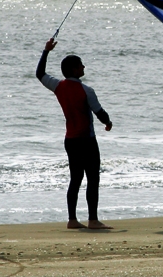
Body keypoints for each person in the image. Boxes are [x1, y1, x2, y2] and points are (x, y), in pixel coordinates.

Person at [36, 37, 113, 229]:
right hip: (86, 140)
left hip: (70, 140)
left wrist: (46, 51)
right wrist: (108, 122)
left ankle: (72, 219)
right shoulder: (86, 90)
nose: (83, 67)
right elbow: (100, 112)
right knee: (93, 178)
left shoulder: (58, 86)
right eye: (80, 65)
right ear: (73, 69)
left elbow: (39, 74)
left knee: (76, 179)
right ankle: (93, 220)